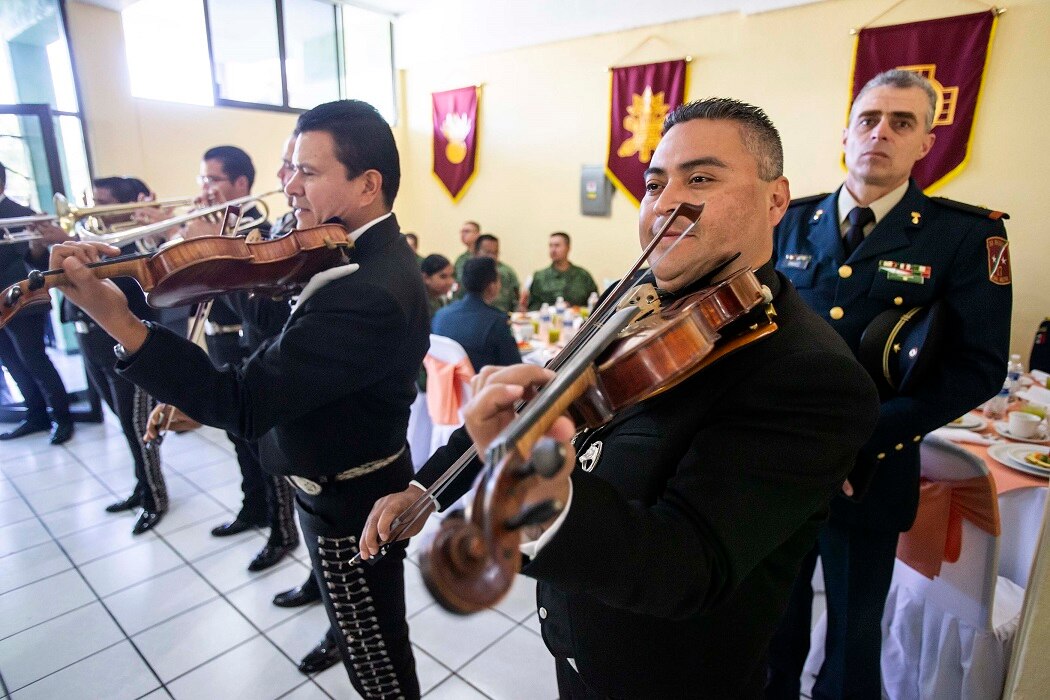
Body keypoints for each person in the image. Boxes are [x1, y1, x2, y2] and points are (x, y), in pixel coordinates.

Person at [361, 98, 881, 698]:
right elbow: (538, 402)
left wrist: (543, 500)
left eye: (701, 178)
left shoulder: (810, 373)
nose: (665, 203)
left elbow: (689, 564)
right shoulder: (633, 293)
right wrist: (428, 487)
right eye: (655, 183)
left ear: (775, 198)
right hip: (577, 643)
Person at [51, 99, 426, 699]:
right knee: (361, 640)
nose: (288, 185)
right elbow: (293, 367)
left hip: (354, 504)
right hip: (324, 481)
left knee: (379, 668)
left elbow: (247, 401)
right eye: (288, 168)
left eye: (307, 171)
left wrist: (119, 321)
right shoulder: (340, 252)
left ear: (367, 184)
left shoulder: (373, 288)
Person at [765, 70, 1012, 699]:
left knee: (853, 637)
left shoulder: (963, 235)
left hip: (871, 470)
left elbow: (978, 366)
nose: (881, 133)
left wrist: (861, 436)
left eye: (902, 122)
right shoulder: (787, 223)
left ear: (926, 141)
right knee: (771, 627)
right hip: (778, 470)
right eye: (869, 119)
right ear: (845, 133)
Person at [168, 144, 300, 572]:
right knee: (237, 439)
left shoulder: (259, 225)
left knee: (264, 443)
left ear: (240, 184)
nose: (204, 188)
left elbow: (251, 307)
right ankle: (253, 508)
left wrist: (213, 249)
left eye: (213, 180)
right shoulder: (208, 223)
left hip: (248, 345)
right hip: (219, 343)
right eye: (201, 179)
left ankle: (283, 530)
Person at [67, 177, 170, 533]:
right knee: (125, 424)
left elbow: (146, 294)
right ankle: (141, 486)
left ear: (122, 207)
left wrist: (150, 232)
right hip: (92, 343)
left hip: (128, 346)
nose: (95, 209)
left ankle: (155, 498)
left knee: (138, 426)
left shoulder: (138, 241)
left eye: (103, 202)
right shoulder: (91, 238)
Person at [0, 162, 74, 444]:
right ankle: (36, 415)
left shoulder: (23, 214)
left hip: (23, 302)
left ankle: (63, 418)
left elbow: (38, 264)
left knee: (35, 360)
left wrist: (37, 244)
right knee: (11, 361)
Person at [432, 256, 521, 372]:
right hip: (483, 386)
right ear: (492, 286)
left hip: (445, 386)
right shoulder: (496, 322)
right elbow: (514, 368)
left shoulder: (440, 315)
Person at [526, 232, 598, 310]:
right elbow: (533, 307)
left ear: (568, 248)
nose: (553, 250)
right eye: (550, 246)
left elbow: (595, 304)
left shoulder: (583, 275)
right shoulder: (539, 277)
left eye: (557, 245)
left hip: (580, 320)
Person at [472, 233, 520, 313]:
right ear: (476, 253)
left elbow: (516, 302)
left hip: (502, 319)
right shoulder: (468, 273)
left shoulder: (508, 273)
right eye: (488, 252)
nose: (492, 257)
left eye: (495, 253)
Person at [421, 253, 454, 319]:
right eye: (443, 277)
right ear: (426, 278)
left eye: (452, 276)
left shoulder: (444, 300)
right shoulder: (421, 306)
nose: (450, 282)